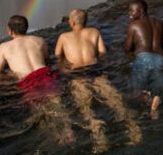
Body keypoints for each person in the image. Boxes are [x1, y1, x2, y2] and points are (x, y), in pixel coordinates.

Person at [55, 9, 140, 150]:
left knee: (85, 106)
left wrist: (64, 69)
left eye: (69, 18)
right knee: (115, 99)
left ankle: (98, 132)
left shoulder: (63, 37)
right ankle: (133, 127)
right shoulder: (94, 32)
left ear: (73, 21)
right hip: (95, 69)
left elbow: (58, 56)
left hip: (76, 73)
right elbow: (102, 52)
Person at [0, 15, 70, 142]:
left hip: (27, 80)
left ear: (10, 31)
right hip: (45, 74)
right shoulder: (39, 40)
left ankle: (55, 137)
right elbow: (47, 60)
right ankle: (68, 131)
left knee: (39, 111)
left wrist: (9, 76)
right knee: (57, 104)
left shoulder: (4, 47)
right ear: (27, 28)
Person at [123, 0, 163, 119]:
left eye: (132, 11)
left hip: (143, 58)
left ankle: (150, 100)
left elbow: (127, 48)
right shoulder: (159, 22)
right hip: (160, 58)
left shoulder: (133, 25)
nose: (130, 14)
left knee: (135, 93)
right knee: (157, 84)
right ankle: (156, 99)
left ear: (141, 11)